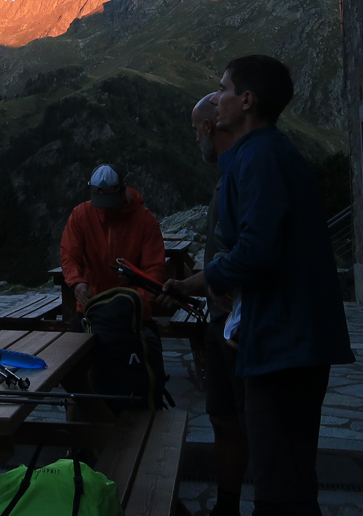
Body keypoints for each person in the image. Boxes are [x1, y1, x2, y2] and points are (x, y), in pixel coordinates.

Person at [205, 55, 354, 516]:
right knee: (284, 477)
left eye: (223, 89)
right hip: (280, 338)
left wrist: (208, 278)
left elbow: (258, 250)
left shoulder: (262, 157)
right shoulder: (262, 153)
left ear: (247, 100)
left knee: (281, 488)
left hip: (285, 345)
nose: (216, 99)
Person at [165, 94, 246, 516]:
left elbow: (251, 252)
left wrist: (216, 282)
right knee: (222, 417)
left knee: (245, 420)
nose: (195, 138)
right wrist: (189, 285)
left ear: (209, 128)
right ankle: (226, 506)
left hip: (237, 325)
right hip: (218, 322)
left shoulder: (241, 174)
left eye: (196, 130)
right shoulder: (226, 176)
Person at [60, 163, 166, 321]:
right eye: (100, 202)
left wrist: (138, 300)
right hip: (92, 305)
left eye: (110, 202)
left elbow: (154, 267)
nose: (105, 208)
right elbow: (69, 255)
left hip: (132, 309)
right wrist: (77, 283)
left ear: (123, 190)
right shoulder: (81, 215)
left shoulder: (145, 219)